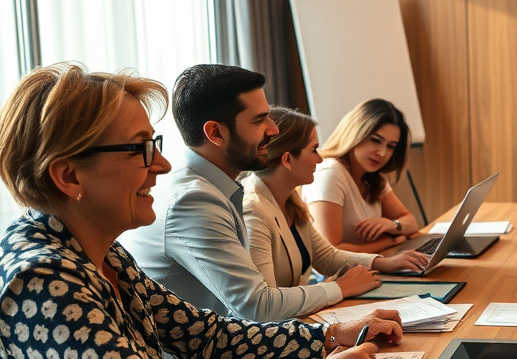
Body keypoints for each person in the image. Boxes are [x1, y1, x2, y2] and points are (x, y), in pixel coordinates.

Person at [0, 64, 400, 359]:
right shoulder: (44, 280)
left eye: (157, 145)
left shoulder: (99, 251)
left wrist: (327, 335)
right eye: (140, 149)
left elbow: (208, 337)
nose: (162, 165)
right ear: (68, 176)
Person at [124, 65, 380, 324]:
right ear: (215, 133)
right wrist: (340, 288)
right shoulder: (193, 201)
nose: (274, 129)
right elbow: (256, 306)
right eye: (259, 120)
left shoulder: (215, 188)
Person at [244, 106, 429, 288]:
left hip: (299, 308)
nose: (320, 158)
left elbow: (327, 256)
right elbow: (264, 304)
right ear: (287, 160)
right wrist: (339, 288)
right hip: (288, 314)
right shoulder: (254, 212)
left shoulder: (289, 198)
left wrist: (384, 262)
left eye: (390, 146)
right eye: (314, 150)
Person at [305, 99, 420, 253]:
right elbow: (329, 253)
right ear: (355, 133)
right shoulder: (329, 173)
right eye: (375, 140)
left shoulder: (372, 177)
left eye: (390, 146)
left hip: (370, 268)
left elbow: (411, 222)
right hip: (338, 276)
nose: (382, 153)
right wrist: (389, 241)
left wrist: (393, 225)